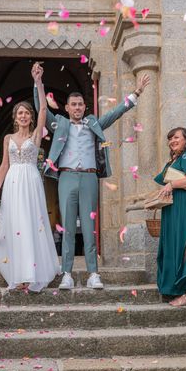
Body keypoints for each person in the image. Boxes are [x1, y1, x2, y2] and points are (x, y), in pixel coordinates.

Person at [33, 62, 150, 289]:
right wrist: (37, 82)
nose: (77, 108)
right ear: (66, 108)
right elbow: (41, 109)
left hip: (89, 177)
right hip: (66, 177)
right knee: (67, 227)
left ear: (84, 106)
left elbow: (117, 112)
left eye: (80, 105)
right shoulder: (60, 123)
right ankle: (66, 273)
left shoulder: (93, 123)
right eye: (73, 105)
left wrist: (137, 92)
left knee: (89, 226)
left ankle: (93, 274)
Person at [0, 75, 60, 292]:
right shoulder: (8, 139)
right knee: (14, 224)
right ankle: (17, 274)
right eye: (20, 113)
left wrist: (38, 83)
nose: (23, 116)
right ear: (15, 117)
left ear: (30, 117)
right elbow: (3, 165)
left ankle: (31, 274)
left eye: (27, 113)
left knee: (29, 224)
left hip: (30, 181)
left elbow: (44, 112)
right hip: (12, 181)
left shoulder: (36, 135)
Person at [154, 128, 186, 304]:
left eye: (176, 137)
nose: (172, 141)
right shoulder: (173, 161)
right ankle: (174, 288)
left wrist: (172, 184)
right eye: (169, 138)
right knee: (173, 246)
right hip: (174, 209)